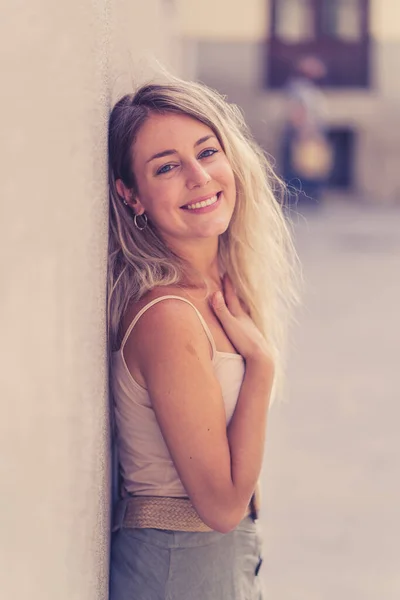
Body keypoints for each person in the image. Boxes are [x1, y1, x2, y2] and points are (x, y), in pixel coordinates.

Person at [107, 75, 299, 600]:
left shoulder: (218, 285)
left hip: (216, 565)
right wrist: (260, 366)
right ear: (132, 195)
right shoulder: (169, 317)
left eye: (207, 151)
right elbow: (220, 506)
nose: (198, 176)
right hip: (179, 571)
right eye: (166, 167)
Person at [282, 55, 333, 208]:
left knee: (312, 165)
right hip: (306, 133)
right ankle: (304, 198)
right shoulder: (299, 87)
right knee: (303, 165)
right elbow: (297, 111)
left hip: (312, 132)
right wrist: (304, 132)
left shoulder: (307, 87)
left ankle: (310, 197)